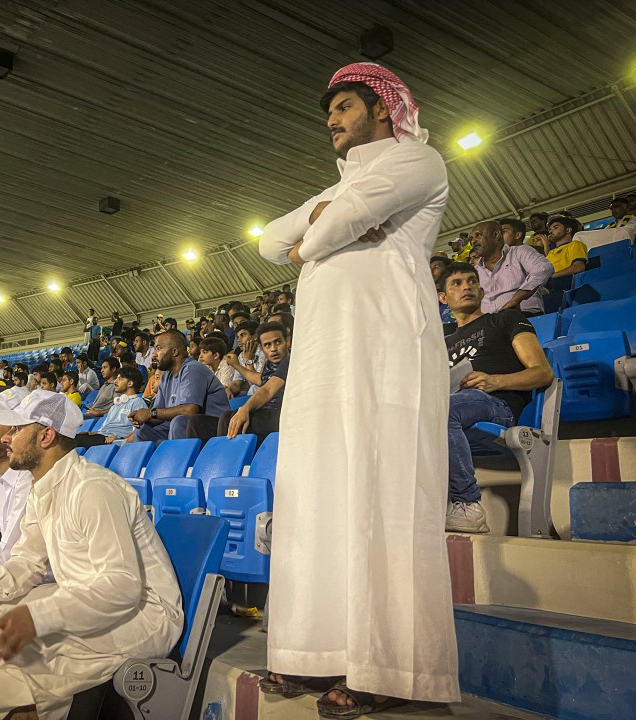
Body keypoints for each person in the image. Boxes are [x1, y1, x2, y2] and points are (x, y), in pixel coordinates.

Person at [258, 63, 459, 714]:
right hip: (322, 361)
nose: (333, 121)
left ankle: (390, 668)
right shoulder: (336, 187)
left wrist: (313, 233)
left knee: (384, 502)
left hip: (388, 353)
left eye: (345, 106)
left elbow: (325, 234)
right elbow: (268, 241)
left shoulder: (417, 161)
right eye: (329, 113)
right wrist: (321, 219)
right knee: (315, 502)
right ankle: (313, 655)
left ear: (382, 108)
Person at [0, 389, 183, 720]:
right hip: (89, 596)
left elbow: (123, 585)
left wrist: (38, 617)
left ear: (46, 435)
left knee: (17, 674)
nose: (7, 437)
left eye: (16, 429)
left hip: (143, 614)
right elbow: (27, 563)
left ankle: (17, 704)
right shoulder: (42, 490)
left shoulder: (92, 489)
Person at [439, 263, 554, 533]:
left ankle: (468, 505)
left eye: (471, 281)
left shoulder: (505, 320)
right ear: (442, 298)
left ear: (480, 289)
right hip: (456, 402)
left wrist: (495, 381)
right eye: (456, 283)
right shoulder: (441, 343)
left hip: (497, 403)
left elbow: (543, 373)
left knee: (442, 411)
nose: (466, 286)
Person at [129, 330, 229, 442]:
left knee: (179, 422)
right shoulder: (166, 375)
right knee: (142, 431)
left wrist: (151, 413)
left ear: (174, 352)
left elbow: (190, 410)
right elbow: (159, 414)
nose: (154, 354)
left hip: (214, 427)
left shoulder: (192, 369)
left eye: (158, 348)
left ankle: (179, 459)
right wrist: (142, 417)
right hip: (177, 426)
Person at [470, 220, 553, 316]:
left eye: (478, 235)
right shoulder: (475, 271)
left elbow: (544, 268)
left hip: (524, 316)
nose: (473, 241)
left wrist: (516, 299)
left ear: (496, 235)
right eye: (471, 238)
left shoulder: (519, 252)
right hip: (489, 323)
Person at [76, 366, 147, 447]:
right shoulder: (114, 406)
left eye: (120, 379)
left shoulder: (138, 402)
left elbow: (140, 431)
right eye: (116, 378)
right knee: (70, 438)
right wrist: (89, 433)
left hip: (112, 440)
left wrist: (120, 438)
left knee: (70, 442)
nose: (115, 381)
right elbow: (102, 431)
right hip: (102, 437)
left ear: (130, 383)